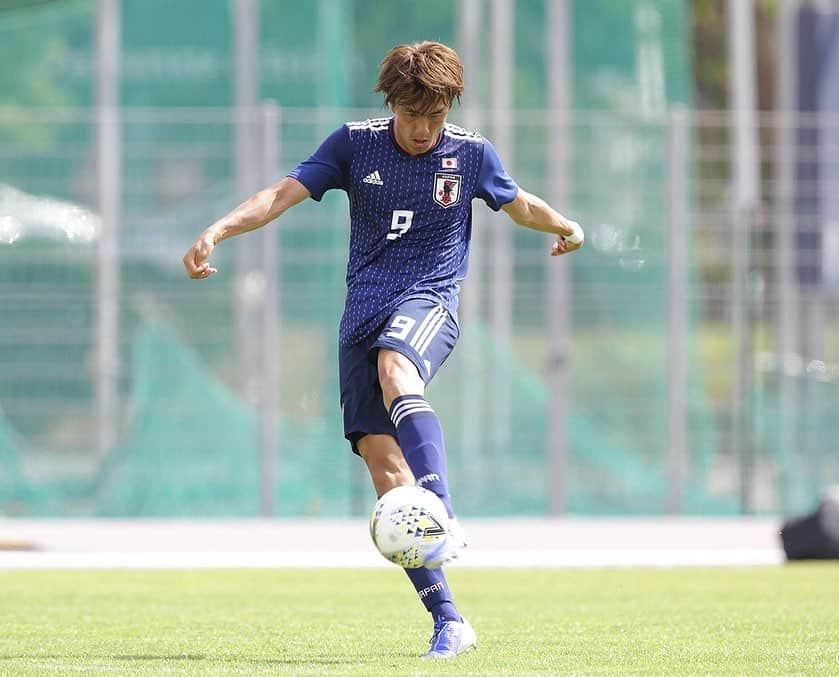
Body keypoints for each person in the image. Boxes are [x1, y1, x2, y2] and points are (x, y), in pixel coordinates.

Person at [183, 41, 583, 659]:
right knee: (385, 474)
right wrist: (217, 229)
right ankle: (449, 619)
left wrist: (564, 224)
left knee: (399, 369)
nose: (422, 128)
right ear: (391, 102)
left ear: (449, 107)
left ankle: (442, 506)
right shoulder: (354, 143)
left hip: (429, 300)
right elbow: (279, 194)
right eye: (410, 113)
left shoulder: (470, 153)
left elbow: (518, 202)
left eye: (435, 115)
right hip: (361, 317)